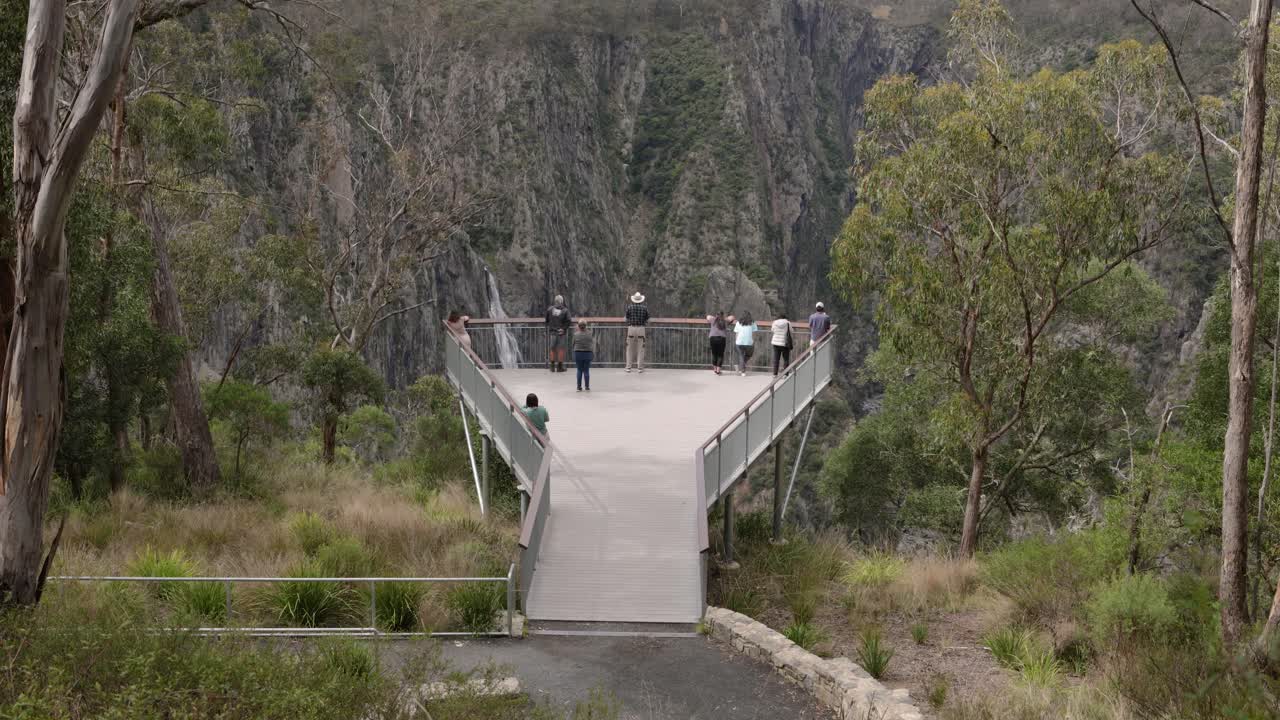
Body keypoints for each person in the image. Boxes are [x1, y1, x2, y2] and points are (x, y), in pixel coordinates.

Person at [545, 295, 573, 373]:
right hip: (561, 333)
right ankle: (560, 367)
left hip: (552, 332)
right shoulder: (565, 310)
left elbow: (546, 320)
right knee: (561, 349)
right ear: (562, 301)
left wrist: (551, 326)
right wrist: (563, 328)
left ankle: (552, 367)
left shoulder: (549, 309)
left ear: (555, 301)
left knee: (552, 349)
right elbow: (569, 320)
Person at [624, 291, 650, 373]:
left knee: (629, 349)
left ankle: (628, 367)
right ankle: (640, 368)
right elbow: (648, 319)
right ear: (641, 300)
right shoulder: (644, 308)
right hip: (641, 329)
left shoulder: (629, 307)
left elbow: (626, 318)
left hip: (631, 329)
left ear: (634, 299)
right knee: (641, 349)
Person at [572, 320, 595, 392]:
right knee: (586, 370)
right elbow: (592, 343)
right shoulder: (590, 334)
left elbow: (573, 344)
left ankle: (579, 387)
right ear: (586, 326)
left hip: (578, 353)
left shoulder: (575, 334)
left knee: (579, 370)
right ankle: (587, 387)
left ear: (578, 326)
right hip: (588, 353)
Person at [732, 312, 755, 376]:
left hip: (739, 342)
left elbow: (736, 333)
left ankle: (741, 369)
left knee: (741, 356)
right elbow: (753, 333)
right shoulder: (752, 323)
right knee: (748, 355)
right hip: (749, 343)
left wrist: (736, 341)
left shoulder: (738, 323)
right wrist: (753, 341)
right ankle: (743, 370)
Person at [771, 311, 793, 376]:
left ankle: (775, 374)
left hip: (775, 343)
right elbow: (791, 331)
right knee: (786, 359)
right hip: (784, 343)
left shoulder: (774, 322)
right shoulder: (788, 323)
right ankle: (785, 374)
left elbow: (772, 330)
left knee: (776, 359)